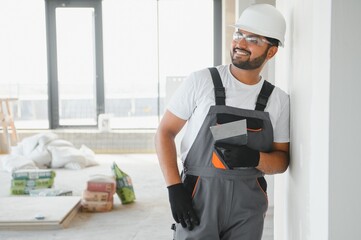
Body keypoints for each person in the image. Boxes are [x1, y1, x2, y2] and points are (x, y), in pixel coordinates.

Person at [155, 3, 289, 240]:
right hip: (198, 197)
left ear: (271, 51)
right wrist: (174, 187)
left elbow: (282, 160)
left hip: (248, 203)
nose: (240, 43)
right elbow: (165, 132)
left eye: (253, 39)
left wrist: (256, 159)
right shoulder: (202, 82)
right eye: (239, 34)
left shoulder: (277, 100)